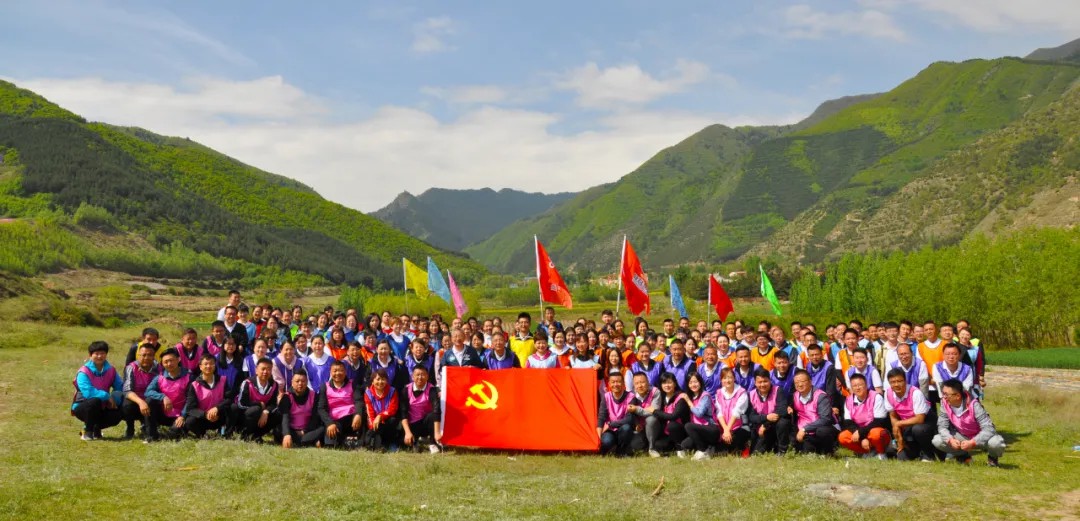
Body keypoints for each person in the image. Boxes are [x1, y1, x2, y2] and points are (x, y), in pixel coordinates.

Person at [933, 379, 1006, 467]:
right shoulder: (944, 403)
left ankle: (992, 459)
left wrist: (973, 442)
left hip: (981, 437)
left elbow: (989, 428)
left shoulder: (974, 405)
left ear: (958, 396)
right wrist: (951, 440)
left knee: (996, 443)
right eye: (943, 393)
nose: (944, 397)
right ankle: (963, 456)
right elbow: (942, 426)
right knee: (937, 440)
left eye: (946, 394)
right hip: (962, 436)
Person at [72, 341, 125, 440]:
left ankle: (96, 428)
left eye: (102, 353)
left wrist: (115, 399)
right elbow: (88, 393)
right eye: (96, 354)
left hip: (103, 406)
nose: (100, 356)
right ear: (90, 355)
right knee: (94, 401)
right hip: (83, 406)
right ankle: (88, 431)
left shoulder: (111, 370)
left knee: (117, 415)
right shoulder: (83, 372)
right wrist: (107, 396)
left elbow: (119, 386)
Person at [884, 368, 934, 462]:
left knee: (918, 429)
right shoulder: (888, 393)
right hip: (907, 426)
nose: (896, 384)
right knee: (901, 456)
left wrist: (898, 424)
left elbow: (920, 419)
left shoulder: (916, 393)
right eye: (893, 382)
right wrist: (899, 438)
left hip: (925, 424)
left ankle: (928, 454)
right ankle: (917, 452)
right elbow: (893, 416)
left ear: (905, 381)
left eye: (899, 381)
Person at [838, 373, 891, 460]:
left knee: (876, 434)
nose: (857, 388)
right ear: (851, 388)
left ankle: (881, 453)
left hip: (874, 431)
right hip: (859, 433)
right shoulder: (848, 400)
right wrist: (862, 438)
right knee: (843, 437)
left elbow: (879, 421)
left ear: (866, 385)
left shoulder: (876, 397)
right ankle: (865, 453)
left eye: (860, 385)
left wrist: (860, 433)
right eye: (854, 386)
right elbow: (848, 422)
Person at [144, 348, 191, 441]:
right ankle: (151, 436)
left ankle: (174, 431)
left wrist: (183, 416)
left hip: (181, 415)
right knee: (149, 401)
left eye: (171, 360)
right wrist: (163, 397)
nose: (169, 364)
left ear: (178, 359)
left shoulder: (189, 377)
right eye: (165, 362)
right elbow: (148, 391)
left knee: (173, 435)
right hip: (164, 413)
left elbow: (191, 400)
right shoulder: (159, 377)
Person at [183, 354, 233, 438]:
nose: (208, 366)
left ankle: (227, 434)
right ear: (200, 367)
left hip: (219, 416)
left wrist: (217, 408)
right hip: (203, 418)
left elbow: (229, 399)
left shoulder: (223, 380)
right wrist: (205, 414)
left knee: (233, 408)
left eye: (211, 364)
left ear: (215, 366)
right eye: (205, 364)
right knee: (190, 421)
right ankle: (202, 435)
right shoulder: (194, 385)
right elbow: (190, 409)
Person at [318, 361, 364, 448]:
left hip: (351, 418)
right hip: (335, 420)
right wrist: (329, 423)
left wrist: (358, 414)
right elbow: (321, 408)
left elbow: (359, 401)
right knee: (331, 444)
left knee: (363, 418)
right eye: (335, 371)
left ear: (345, 372)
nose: (338, 373)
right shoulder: (325, 386)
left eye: (341, 370)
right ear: (330, 372)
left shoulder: (353, 384)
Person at [792, 369, 839, 455]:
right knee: (806, 452)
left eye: (802, 381)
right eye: (796, 382)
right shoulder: (795, 395)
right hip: (805, 431)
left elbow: (825, 419)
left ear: (810, 382)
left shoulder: (821, 396)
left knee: (822, 431)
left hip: (823, 428)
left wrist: (804, 429)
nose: (800, 384)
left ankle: (829, 451)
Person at [232, 358, 280, 441]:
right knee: (255, 410)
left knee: (279, 414)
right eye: (263, 369)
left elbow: (273, 404)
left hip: (263, 415)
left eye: (268, 369)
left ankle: (257, 435)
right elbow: (241, 403)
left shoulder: (274, 385)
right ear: (256, 370)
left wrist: (266, 411)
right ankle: (245, 434)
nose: (265, 372)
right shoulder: (247, 383)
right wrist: (259, 405)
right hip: (246, 415)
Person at [748, 368, 791, 455]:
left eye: (765, 381)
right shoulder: (751, 394)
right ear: (755, 383)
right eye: (759, 382)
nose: (763, 384)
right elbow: (751, 417)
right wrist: (766, 417)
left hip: (774, 425)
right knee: (756, 454)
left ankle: (782, 451)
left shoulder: (778, 390)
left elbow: (782, 410)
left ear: (770, 380)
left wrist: (766, 424)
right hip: (761, 429)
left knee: (783, 422)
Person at [122, 343, 161, 439]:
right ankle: (130, 429)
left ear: (154, 356)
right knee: (127, 404)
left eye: (150, 355)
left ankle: (150, 429)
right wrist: (141, 402)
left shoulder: (159, 368)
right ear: (138, 356)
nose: (146, 358)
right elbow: (127, 391)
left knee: (151, 401)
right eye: (143, 355)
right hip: (136, 400)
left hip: (153, 400)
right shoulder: (131, 367)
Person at [401, 366, 443, 453]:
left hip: (426, 423)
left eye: (423, 375)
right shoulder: (406, 389)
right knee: (407, 443)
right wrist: (407, 432)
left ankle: (433, 443)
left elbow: (436, 410)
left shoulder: (432, 389)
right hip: (411, 424)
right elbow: (403, 412)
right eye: (417, 375)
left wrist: (437, 433)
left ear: (427, 376)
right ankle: (415, 441)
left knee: (432, 415)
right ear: (412, 377)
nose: (420, 377)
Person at [648, 372, 690, 456]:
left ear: (675, 384)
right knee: (658, 445)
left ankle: (680, 449)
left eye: (669, 382)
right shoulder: (662, 397)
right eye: (664, 383)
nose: (667, 385)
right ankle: (674, 447)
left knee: (672, 425)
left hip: (681, 430)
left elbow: (673, 416)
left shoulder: (681, 397)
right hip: (668, 432)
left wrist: (655, 411)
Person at [280, 369, 325, 448]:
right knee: (278, 430)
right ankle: (310, 441)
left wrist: (304, 431)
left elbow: (315, 418)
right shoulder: (287, 396)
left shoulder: (314, 396)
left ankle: (300, 441)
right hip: (292, 430)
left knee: (323, 428)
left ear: (307, 382)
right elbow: (285, 417)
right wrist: (287, 434)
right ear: (292, 382)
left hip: (308, 430)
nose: (300, 383)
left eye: (303, 381)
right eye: (297, 381)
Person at [597, 372, 639, 456]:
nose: (616, 384)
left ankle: (621, 450)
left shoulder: (631, 397)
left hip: (622, 428)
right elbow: (602, 416)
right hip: (609, 430)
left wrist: (610, 424)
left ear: (623, 383)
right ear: (609, 384)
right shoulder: (606, 396)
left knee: (626, 428)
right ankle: (611, 447)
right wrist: (599, 436)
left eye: (618, 382)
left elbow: (629, 419)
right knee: (606, 442)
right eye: (613, 382)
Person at [678, 372, 716, 460]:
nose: (693, 385)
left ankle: (703, 450)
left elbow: (699, 414)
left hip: (710, 428)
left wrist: (688, 401)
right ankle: (708, 447)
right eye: (690, 383)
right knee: (685, 445)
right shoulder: (691, 396)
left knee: (688, 426)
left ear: (700, 382)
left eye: (695, 382)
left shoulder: (705, 395)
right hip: (698, 429)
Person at [713, 367, 750, 456]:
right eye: (724, 378)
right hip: (723, 427)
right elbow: (719, 412)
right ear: (721, 380)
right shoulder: (719, 393)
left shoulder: (742, 392)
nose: (727, 380)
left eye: (730, 377)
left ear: (734, 378)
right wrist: (725, 430)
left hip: (738, 428)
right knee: (719, 450)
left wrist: (727, 430)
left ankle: (742, 447)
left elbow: (737, 412)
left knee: (736, 441)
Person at [362, 370, 401, 451]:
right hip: (375, 423)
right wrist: (373, 427)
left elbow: (393, 409)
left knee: (393, 420)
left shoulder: (392, 391)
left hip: (388, 421)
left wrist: (380, 416)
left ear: (386, 381)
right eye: (378, 379)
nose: (380, 382)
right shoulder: (368, 393)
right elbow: (370, 413)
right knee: (372, 429)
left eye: (383, 379)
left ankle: (392, 443)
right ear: (372, 381)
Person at [957, 327, 985, 398]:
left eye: (967, 335)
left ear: (970, 336)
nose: (964, 336)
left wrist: (980, 376)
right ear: (959, 335)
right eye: (962, 334)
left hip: (972, 376)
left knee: (973, 398)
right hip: (957, 376)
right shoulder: (954, 347)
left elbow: (979, 363)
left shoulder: (975, 349)